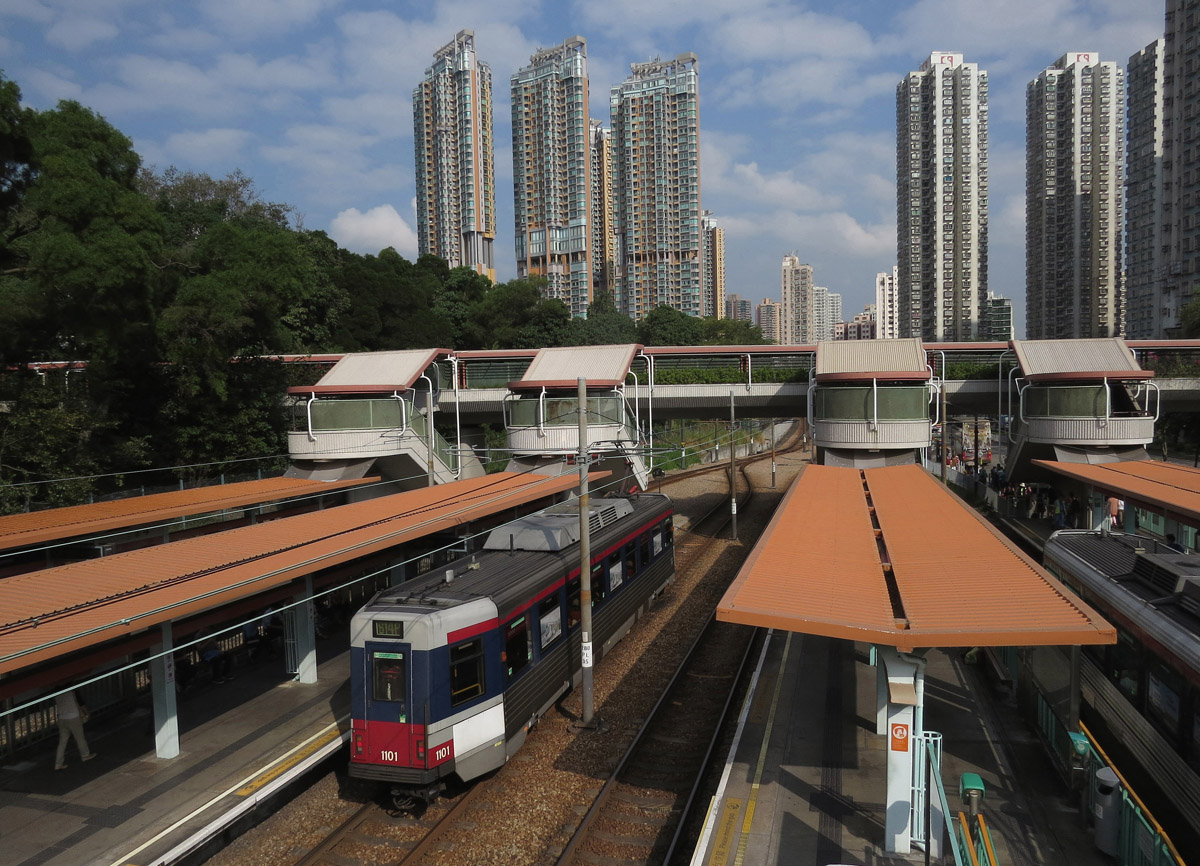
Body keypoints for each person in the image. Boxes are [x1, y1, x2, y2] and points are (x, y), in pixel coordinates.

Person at [54, 689, 95, 770]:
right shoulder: (72, 690)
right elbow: (80, 702)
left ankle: (58, 763)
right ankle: (85, 755)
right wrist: (86, 712)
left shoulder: (56, 692)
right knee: (80, 738)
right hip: (73, 717)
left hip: (62, 718)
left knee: (62, 742)